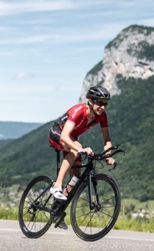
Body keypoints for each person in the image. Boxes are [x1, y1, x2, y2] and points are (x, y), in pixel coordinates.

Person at [48, 86, 116, 228]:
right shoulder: (79, 110)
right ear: (90, 101)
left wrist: (108, 155)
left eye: (105, 104)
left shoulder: (102, 116)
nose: (103, 107)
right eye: (99, 103)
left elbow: (107, 139)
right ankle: (57, 186)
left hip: (71, 138)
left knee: (76, 178)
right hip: (57, 134)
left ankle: (57, 210)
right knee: (74, 151)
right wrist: (80, 148)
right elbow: (65, 136)